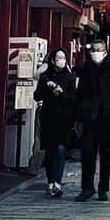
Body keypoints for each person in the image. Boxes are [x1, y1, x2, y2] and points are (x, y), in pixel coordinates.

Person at [73, 37, 110, 202]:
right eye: (93, 50)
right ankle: (87, 187)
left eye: (99, 50)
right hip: (89, 117)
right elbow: (80, 94)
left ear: (105, 51)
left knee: (105, 154)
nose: (96, 53)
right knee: (88, 153)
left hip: (107, 117)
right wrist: (77, 115)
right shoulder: (87, 69)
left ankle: (103, 188)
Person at [35, 47, 77, 198]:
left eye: (63, 57)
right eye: (58, 57)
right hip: (48, 117)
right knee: (50, 152)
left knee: (60, 150)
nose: (61, 60)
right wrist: (48, 88)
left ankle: (57, 182)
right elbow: (36, 96)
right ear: (53, 60)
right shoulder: (46, 76)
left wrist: (61, 93)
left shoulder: (70, 77)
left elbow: (73, 99)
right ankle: (50, 182)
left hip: (64, 119)